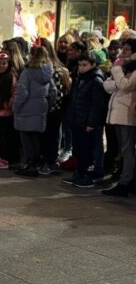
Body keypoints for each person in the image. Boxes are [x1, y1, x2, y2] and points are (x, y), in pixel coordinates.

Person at [62, 54, 106, 188]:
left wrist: (91, 123)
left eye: (85, 65)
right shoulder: (80, 79)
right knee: (78, 149)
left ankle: (87, 176)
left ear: (92, 65)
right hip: (77, 119)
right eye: (80, 65)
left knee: (87, 150)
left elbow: (96, 105)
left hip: (87, 122)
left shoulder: (96, 80)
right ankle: (79, 173)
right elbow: (74, 99)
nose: (81, 68)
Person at [13, 45, 56, 177]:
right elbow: (53, 91)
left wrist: (16, 107)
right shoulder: (48, 72)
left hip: (26, 109)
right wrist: (47, 105)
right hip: (40, 109)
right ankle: (36, 164)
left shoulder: (28, 72)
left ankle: (31, 165)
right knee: (36, 138)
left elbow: (22, 92)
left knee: (26, 139)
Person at [102, 59, 136, 196]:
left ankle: (125, 183)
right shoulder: (125, 70)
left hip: (128, 116)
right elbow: (107, 85)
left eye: (127, 50)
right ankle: (126, 181)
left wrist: (117, 70)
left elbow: (124, 85)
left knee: (127, 151)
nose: (124, 54)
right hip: (118, 115)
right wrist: (119, 77)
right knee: (123, 150)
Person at [39, 38, 71, 175]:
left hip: (52, 109)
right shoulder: (48, 67)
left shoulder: (54, 68)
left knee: (51, 136)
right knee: (48, 136)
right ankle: (47, 160)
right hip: (48, 109)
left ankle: (50, 162)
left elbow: (56, 92)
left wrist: (50, 107)